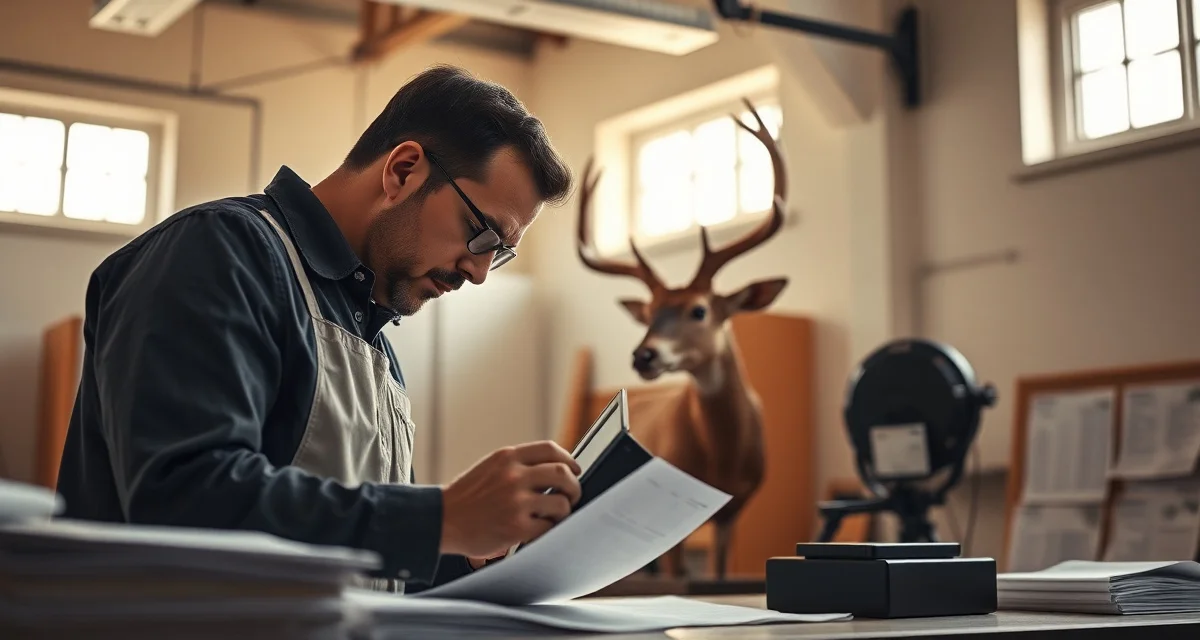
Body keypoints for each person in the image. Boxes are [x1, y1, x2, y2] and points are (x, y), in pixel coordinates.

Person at [54, 64, 582, 593]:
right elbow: (184, 499)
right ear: (403, 171)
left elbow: (354, 560)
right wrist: (440, 519)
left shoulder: (375, 344)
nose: (480, 272)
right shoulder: (218, 253)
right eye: (482, 235)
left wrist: (464, 555)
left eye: (502, 253)